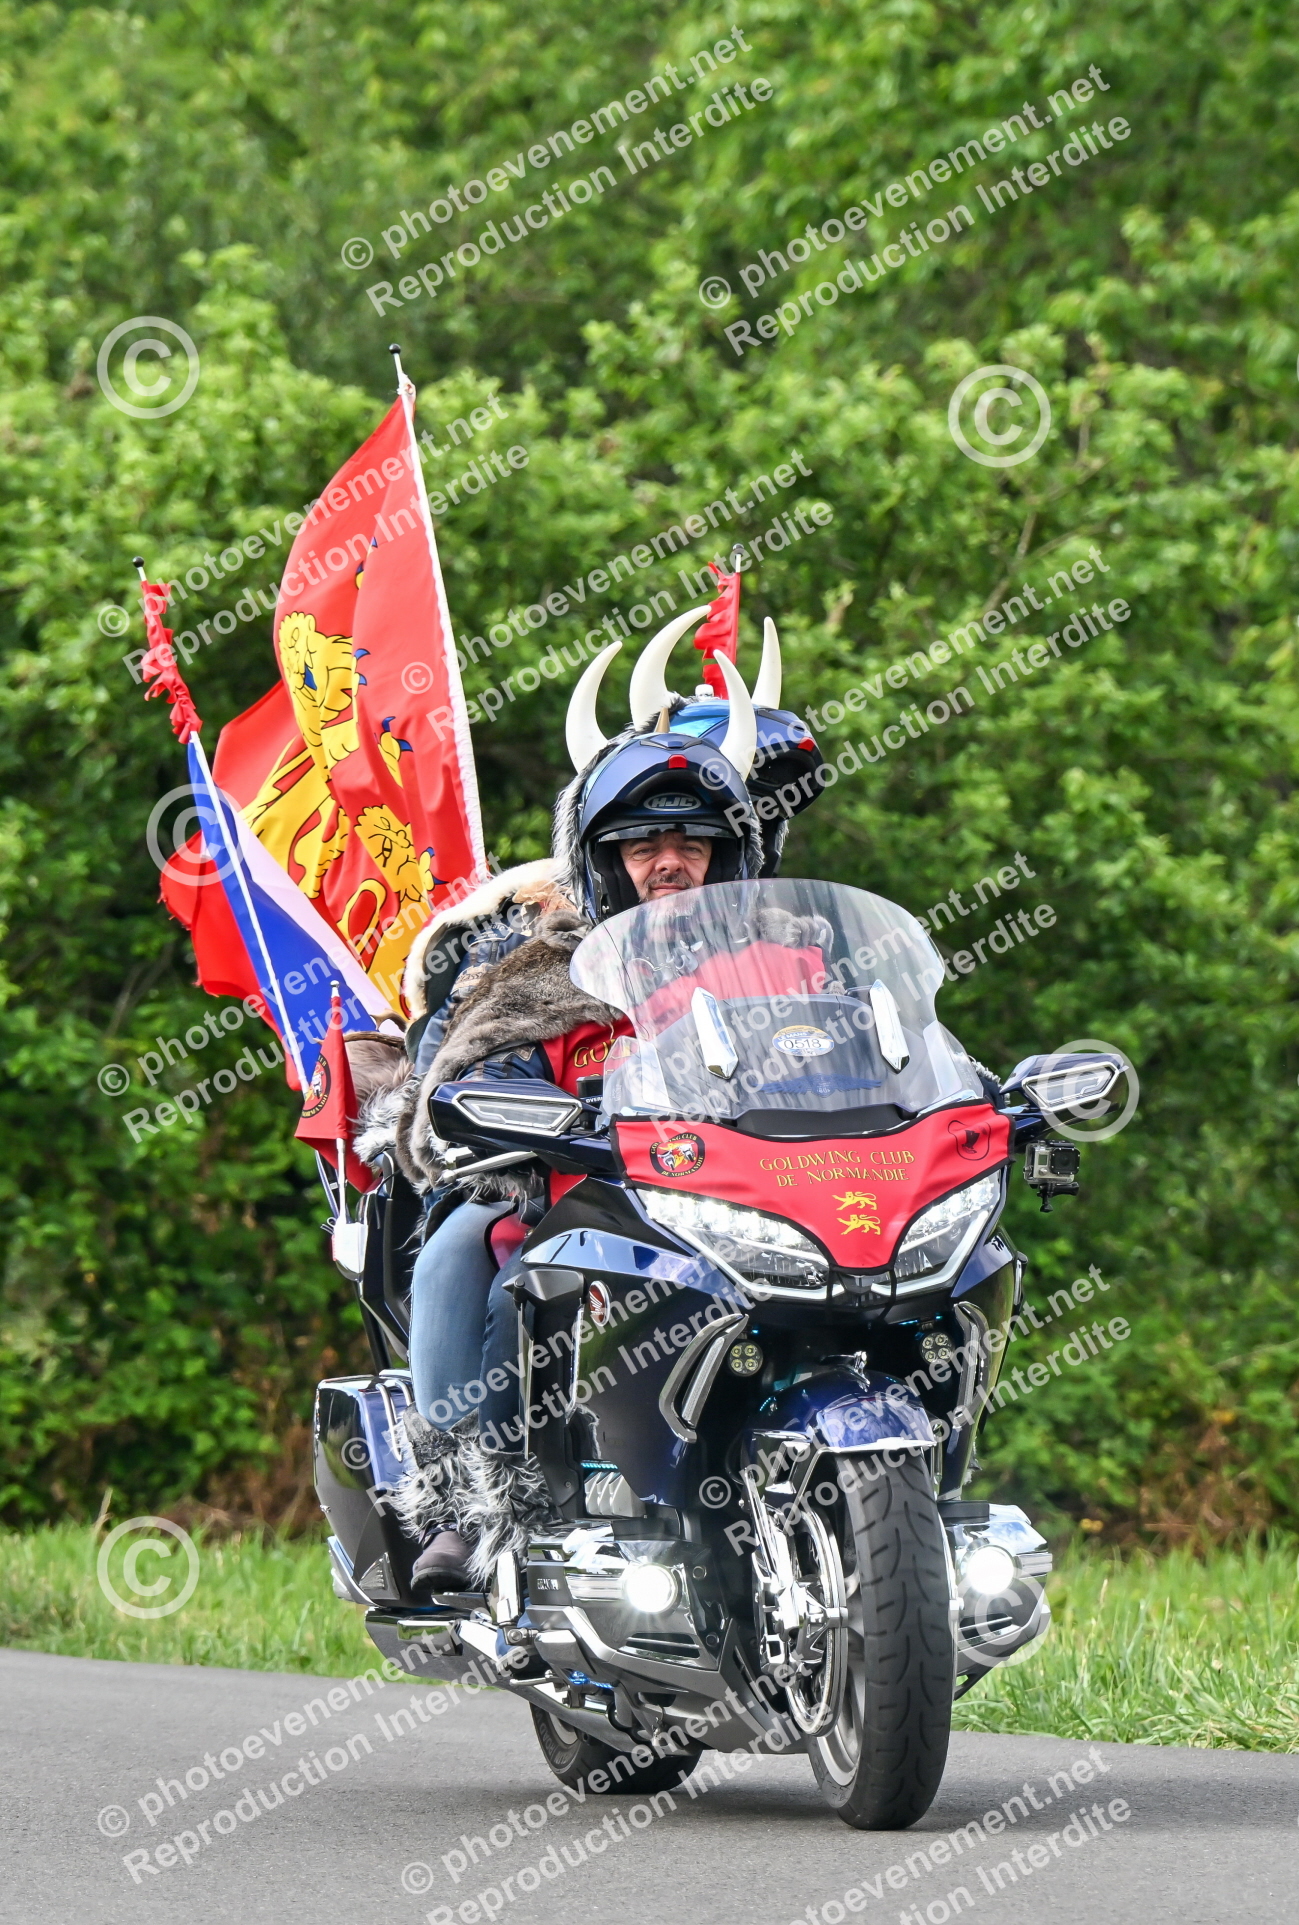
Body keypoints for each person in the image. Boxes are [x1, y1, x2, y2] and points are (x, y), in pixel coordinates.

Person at [357, 623, 807, 1591]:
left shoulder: (789, 957)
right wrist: (529, 1115)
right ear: (607, 860)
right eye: (644, 844)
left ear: (729, 853)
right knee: (475, 1255)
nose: (668, 861)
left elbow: (877, 1047)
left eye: (691, 841)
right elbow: (470, 1075)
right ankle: (475, 1497)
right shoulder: (539, 972)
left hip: (763, 1199)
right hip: (586, 1201)